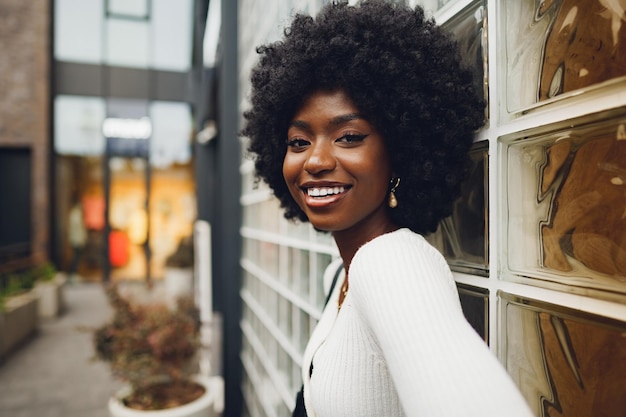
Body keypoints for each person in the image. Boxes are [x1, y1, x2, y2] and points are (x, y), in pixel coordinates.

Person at [242, 1, 534, 416]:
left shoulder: (392, 263)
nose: (315, 161)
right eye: (298, 142)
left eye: (348, 137)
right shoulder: (342, 273)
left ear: (399, 153)